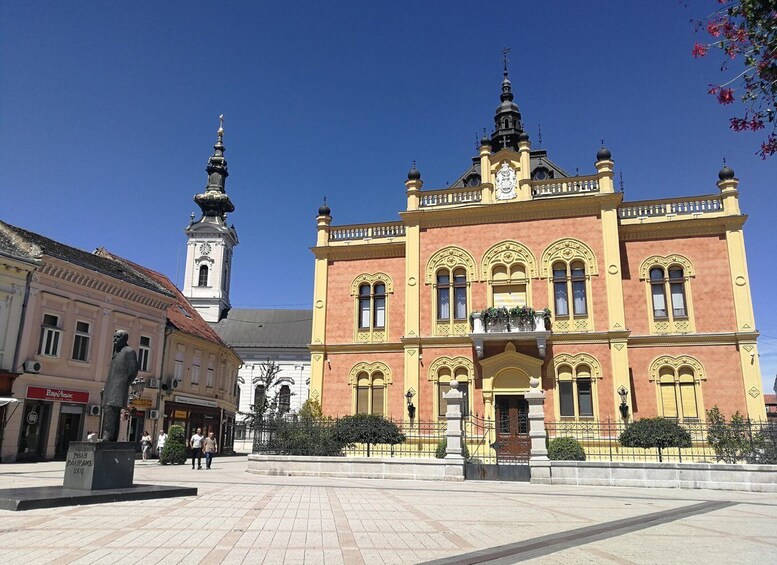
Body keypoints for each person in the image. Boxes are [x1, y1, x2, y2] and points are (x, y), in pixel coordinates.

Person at [100, 330, 139, 441]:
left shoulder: (129, 351)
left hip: (118, 385)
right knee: (111, 410)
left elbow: (133, 370)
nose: (115, 340)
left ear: (124, 339)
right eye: (114, 337)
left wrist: (124, 383)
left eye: (117, 337)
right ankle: (111, 438)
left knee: (111, 408)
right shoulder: (117, 352)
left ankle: (107, 436)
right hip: (111, 385)